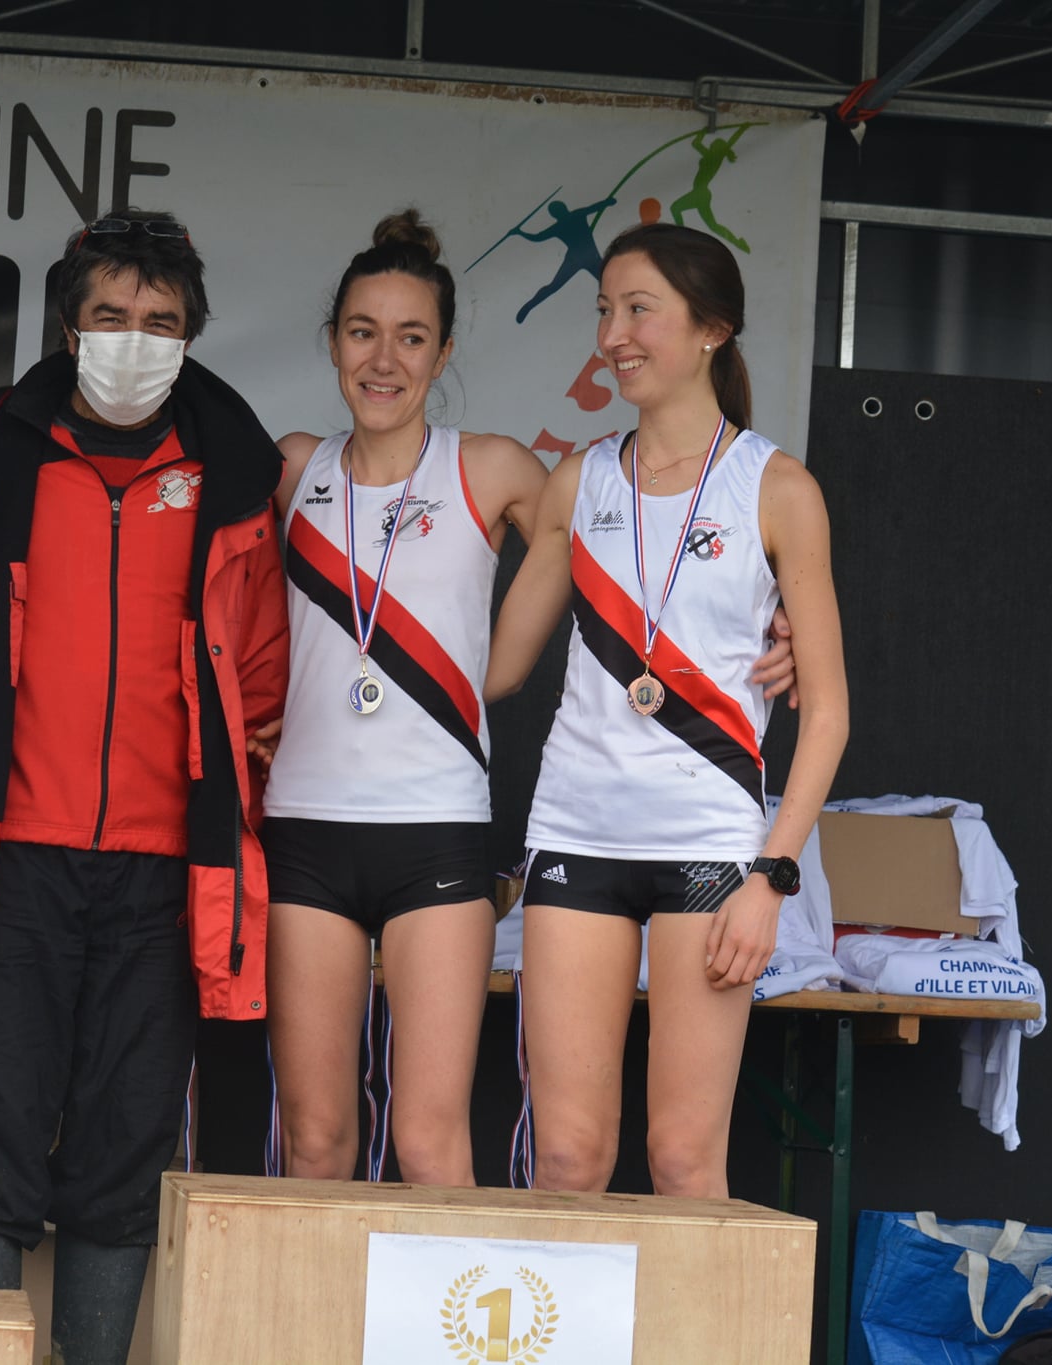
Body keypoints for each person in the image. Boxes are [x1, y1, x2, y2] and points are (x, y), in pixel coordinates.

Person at [0, 209, 288, 1365]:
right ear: (66, 325)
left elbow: (263, 675)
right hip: (8, 856)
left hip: (161, 874)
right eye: (111, 318)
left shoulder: (231, 466)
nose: (135, 340)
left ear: (192, 336)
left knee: (125, 1155)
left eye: (161, 323)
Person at [486, 222, 848, 1199]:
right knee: (565, 1160)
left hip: (709, 850)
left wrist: (770, 876)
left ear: (709, 330)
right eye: (603, 310)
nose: (612, 333)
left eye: (637, 308)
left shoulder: (775, 488)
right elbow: (492, 669)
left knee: (684, 1162)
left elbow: (826, 715)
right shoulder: (580, 476)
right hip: (575, 836)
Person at [262, 210, 549, 1187]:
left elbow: (625, 544)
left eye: (410, 336)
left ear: (443, 351)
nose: (382, 359)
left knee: (428, 1144)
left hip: (434, 830)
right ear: (333, 340)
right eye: (360, 332)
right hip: (302, 826)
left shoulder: (490, 467)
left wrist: (768, 626)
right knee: (316, 1143)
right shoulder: (292, 468)